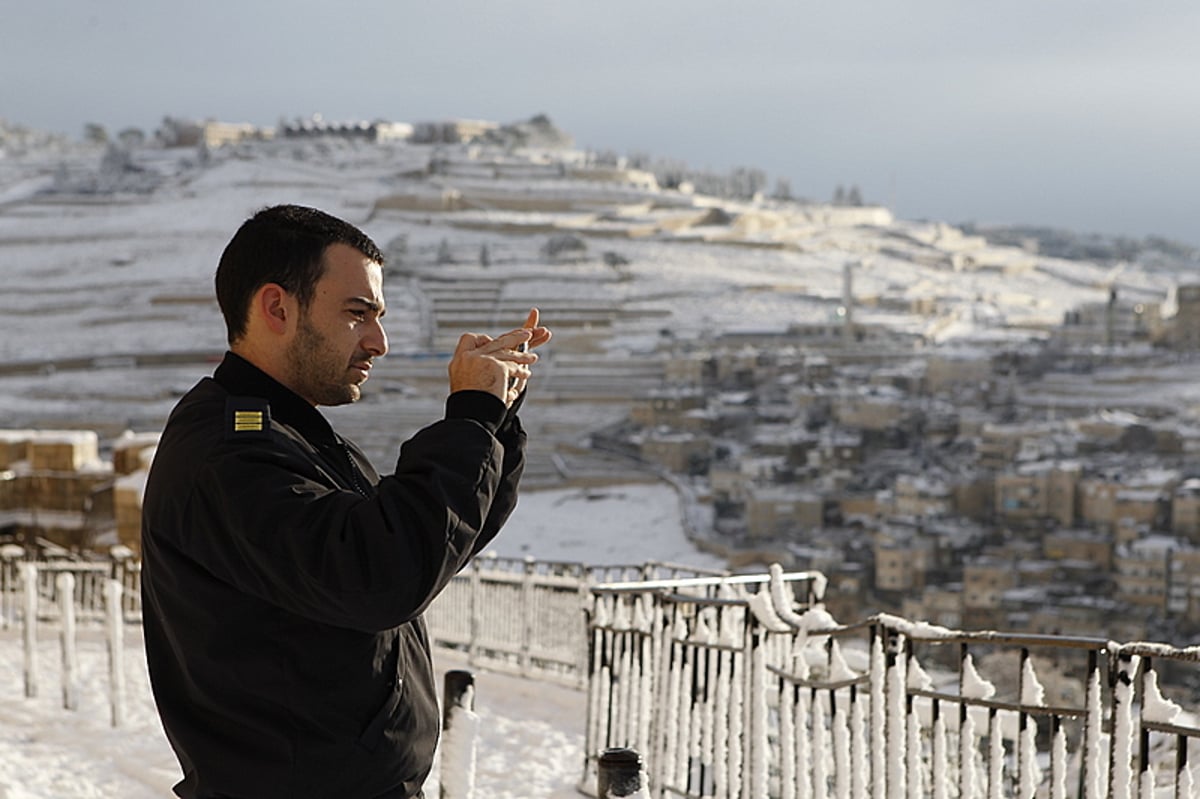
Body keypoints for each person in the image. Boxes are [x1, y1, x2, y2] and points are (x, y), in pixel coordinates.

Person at [140, 204, 551, 798]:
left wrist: (493, 427)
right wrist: (469, 421)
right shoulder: (230, 452)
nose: (379, 343)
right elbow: (385, 575)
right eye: (358, 315)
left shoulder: (288, 433)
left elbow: (431, 545)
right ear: (277, 307)